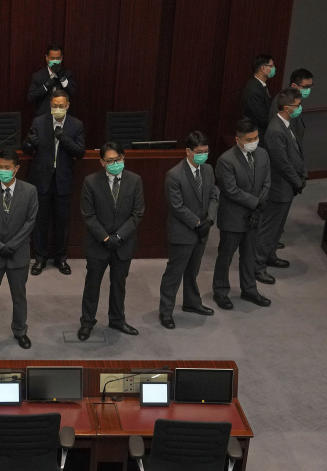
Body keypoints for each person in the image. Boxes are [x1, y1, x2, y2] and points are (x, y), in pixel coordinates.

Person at [78, 142, 144, 341]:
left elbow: (137, 213)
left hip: (123, 243)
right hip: (98, 244)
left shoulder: (135, 180)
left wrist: (119, 236)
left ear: (123, 158)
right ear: (101, 162)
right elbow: (88, 215)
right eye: (109, 161)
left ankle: (117, 319)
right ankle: (87, 322)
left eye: (117, 160)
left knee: (119, 284)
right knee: (92, 285)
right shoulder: (90, 181)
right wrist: (106, 238)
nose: (114, 164)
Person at [0, 150, 37, 349]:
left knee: (19, 295)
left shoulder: (30, 191)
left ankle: (20, 331)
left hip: (18, 253)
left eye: (7, 168)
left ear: (16, 169)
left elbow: (30, 222)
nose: (2, 171)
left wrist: (12, 245)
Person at [157, 131, 218, 329]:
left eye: (206, 151)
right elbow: (177, 206)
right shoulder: (174, 175)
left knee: (193, 270)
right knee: (174, 273)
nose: (203, 155)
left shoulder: (208, 169)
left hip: (203, 229)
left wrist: (209, 219)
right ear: (188, 151)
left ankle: (192, 303)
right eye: (199, 152)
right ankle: (166, 311)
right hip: (183, 232)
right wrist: (197, 223)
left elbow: (213, 194)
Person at [23, 89, 85, 275]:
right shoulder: (39, 122)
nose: (57, 108)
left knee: (62, 222)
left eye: (61, 106)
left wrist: (62, 137)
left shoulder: (76, 125)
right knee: (40, 221)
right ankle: (40, 258)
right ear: (50, 105)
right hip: (41, 179)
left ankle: (61, 258)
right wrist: (29, 143)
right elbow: (27, 149)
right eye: (54, 106)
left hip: (63, 181)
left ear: (67, 106)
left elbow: (79, 152)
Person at [212, 118, 272, 309]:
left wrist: (260, 201)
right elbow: (231, 190)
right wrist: (256, 202)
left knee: (249, 255)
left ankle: (250, 290)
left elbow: (267, 182)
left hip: (254, 217)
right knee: (226, 256)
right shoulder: (226, 160)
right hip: (233, 218)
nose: (254, 141)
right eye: (249, 139)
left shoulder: (263, 154)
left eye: (256, 137)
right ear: (238, 140)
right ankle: (220, 291)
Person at [258, 88, 307, 283]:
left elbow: (295, 153)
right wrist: (297, 181)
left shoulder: (288, 125)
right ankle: (258, 265)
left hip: (287, 187)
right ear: (287, 108)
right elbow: (282, 163)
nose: (300, 108)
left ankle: (270, 256)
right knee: (269, 228)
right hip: (279, 187)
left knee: (278, 227)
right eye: (297, 106)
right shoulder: (276, 130)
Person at [27, 44, 78, 117]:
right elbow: (31, 97)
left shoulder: (67, 74)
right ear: (47, 58)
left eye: (57, 59)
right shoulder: (38, 76)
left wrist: (62, 78)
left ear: (61, 58)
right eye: (52, 58)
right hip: (43, 117)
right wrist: (46, 85)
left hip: (63, 117)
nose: (55, 61)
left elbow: (73, 92)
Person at [241, 54, 275, 136]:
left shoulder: (260, 85)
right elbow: (262, 118)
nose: (274, 68)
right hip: (256, 134)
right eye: (271, 66)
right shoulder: (254, 89)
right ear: (263, 68)